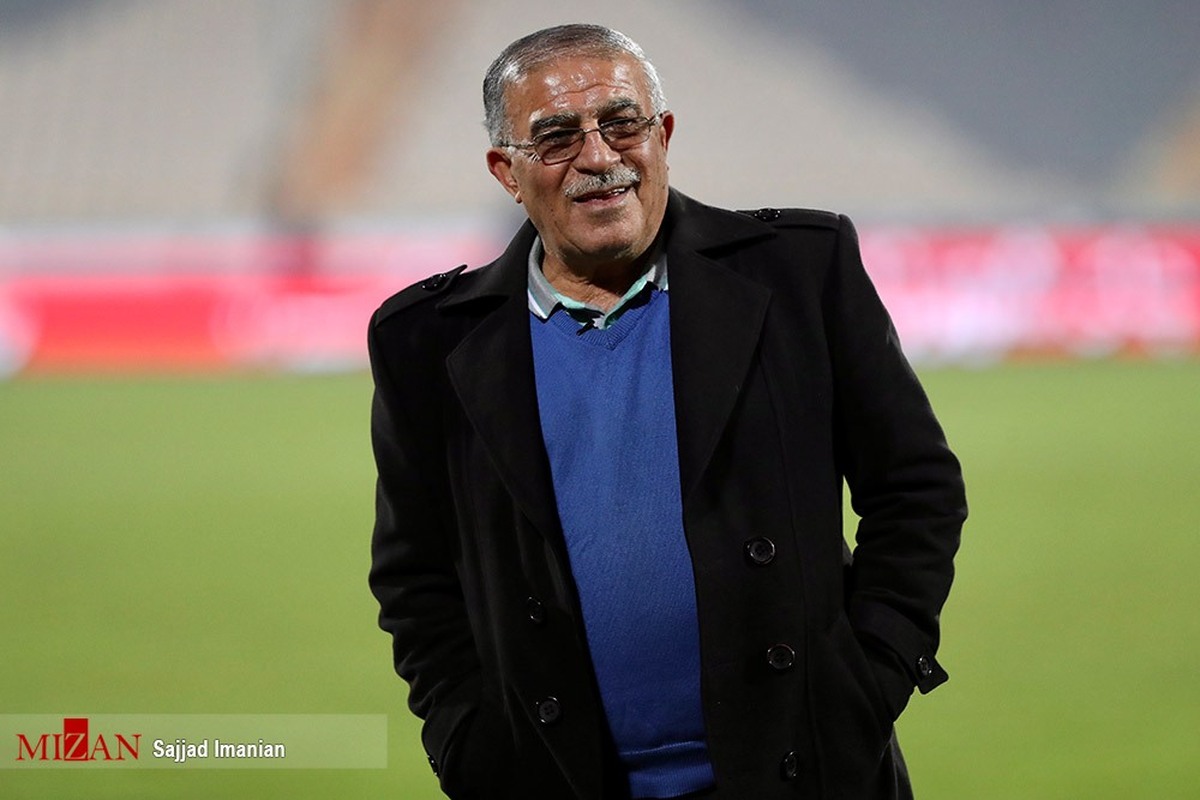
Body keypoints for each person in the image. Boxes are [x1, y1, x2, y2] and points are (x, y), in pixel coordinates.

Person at [368, 23, 966, 800]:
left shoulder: (797, 272)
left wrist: (868, 681)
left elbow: (915, 489)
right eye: (556, 137)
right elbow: (414, 578)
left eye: (623, 123)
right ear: (507, 172)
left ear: (664, 135)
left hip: (806, 770)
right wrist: (468, 742)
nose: (599, 157)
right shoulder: (427, 341)